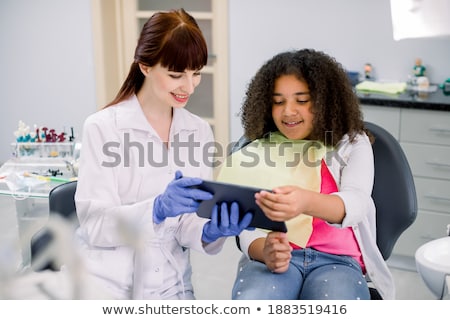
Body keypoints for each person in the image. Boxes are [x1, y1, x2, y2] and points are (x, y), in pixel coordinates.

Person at [74, 8, 252, 300]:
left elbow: (186, 225)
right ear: (145, 66)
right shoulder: (103, 128)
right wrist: (155, 209)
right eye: (176, 75)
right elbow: (95, 225)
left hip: (171, 285)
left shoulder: (198, 132)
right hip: (107, 286)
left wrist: (211, 231)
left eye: (196, 74)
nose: (189, 86)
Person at [217, 49, 395, 300]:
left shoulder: (352, 143)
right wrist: (264, 251)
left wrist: (305, 201)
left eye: (302, 100)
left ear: (325, 101)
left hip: (338, 261)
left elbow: (357, 202)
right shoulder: (258, 149)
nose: (288, 111)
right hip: (274, 260)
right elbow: (247, 226)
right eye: (279, 101)